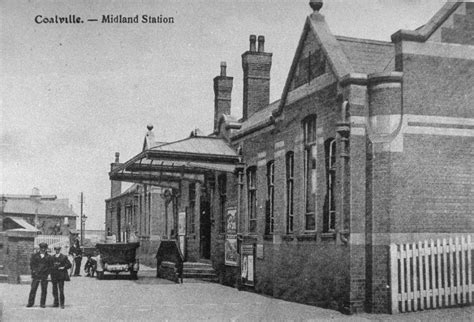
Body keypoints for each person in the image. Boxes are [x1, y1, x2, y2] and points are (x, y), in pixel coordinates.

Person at [26, 242, 51, 308]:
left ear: (46, 249)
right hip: (36, 275)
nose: (43, 249)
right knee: (33, 289)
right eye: (42, 248)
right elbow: (32, 264)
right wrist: (34, 271)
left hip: (44, 275)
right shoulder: (35, 256)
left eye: (44, 248)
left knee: (44, 290)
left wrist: (47, 273)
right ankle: (30, 303)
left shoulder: (48, 257)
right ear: (39, 248)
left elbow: (50, 266)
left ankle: (42, 304)